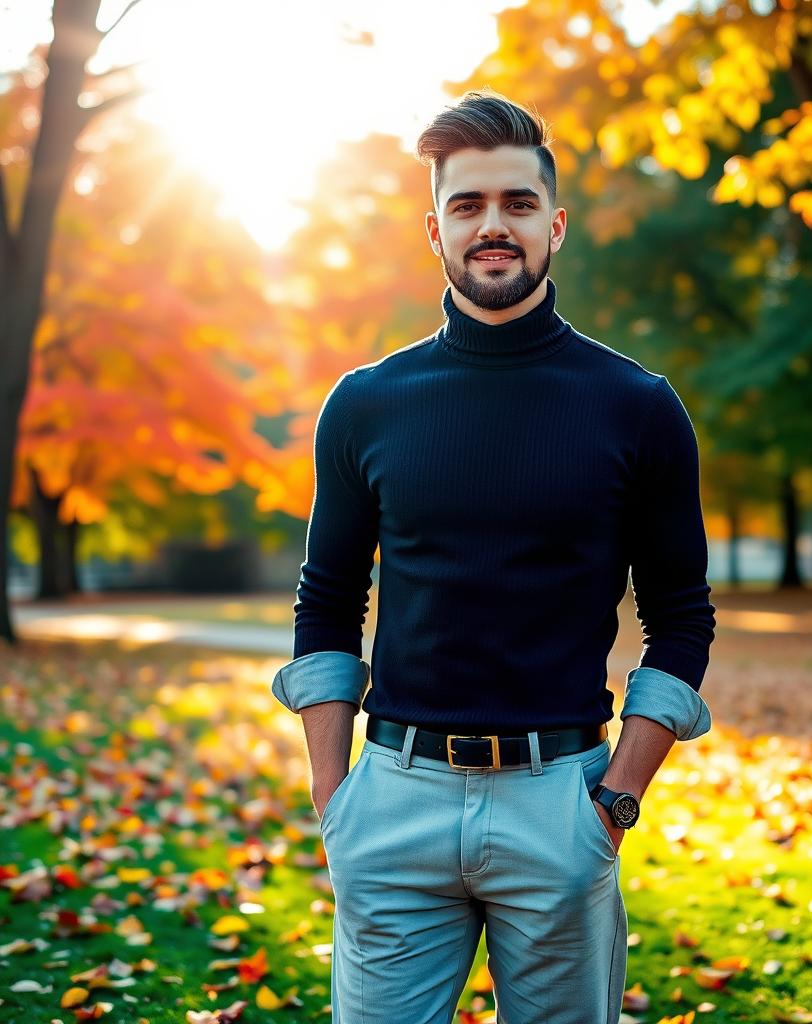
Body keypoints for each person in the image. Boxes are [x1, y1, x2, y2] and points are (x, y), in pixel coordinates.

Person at [271, 89, 716, 1024]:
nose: (494, 227)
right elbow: (327, 599)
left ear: (554, 224)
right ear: (434, 229)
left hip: (562, 806)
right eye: (468, 206)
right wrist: (333, 798)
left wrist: (616, 804)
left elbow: (682, 618)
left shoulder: (637, 407)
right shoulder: (365, 404)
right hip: (391, 803)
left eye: (517, 204)